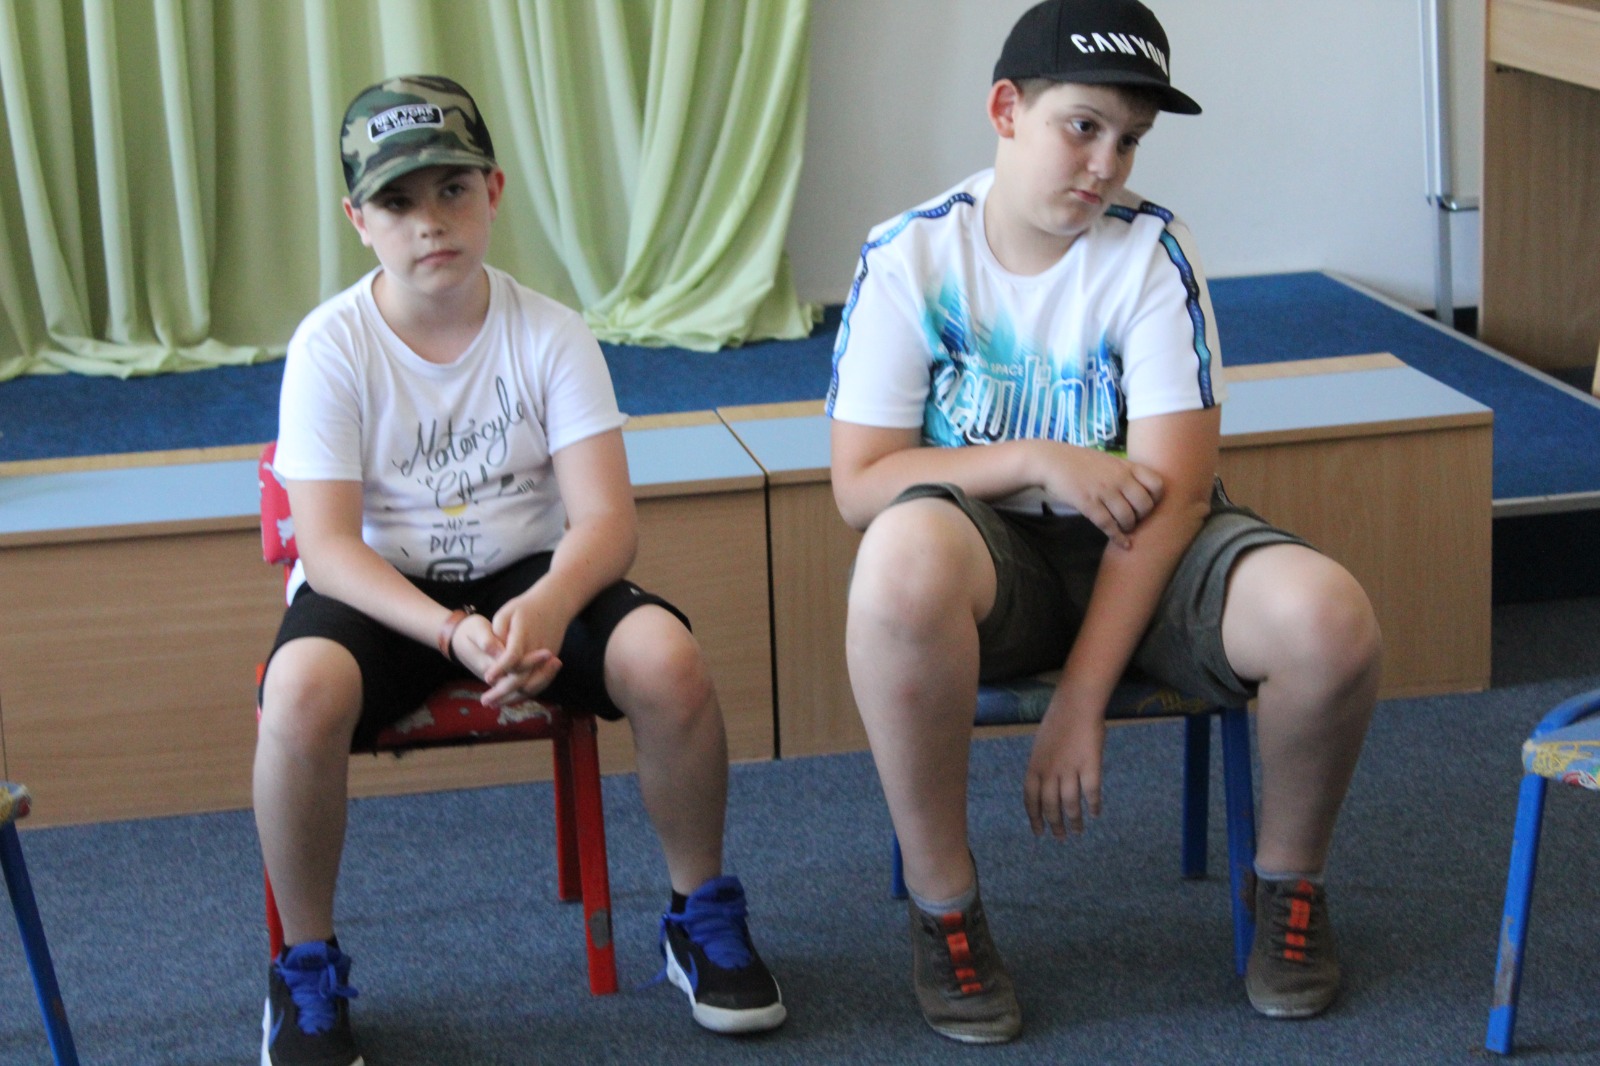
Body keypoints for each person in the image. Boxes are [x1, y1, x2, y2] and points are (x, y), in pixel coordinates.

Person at [826, 0, 1381, 1045]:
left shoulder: (1151, 253)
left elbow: (1173, 501)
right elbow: (860, 484)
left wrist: (1080, 701)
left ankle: (1289, 890)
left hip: (1149, 554)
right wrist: (1039, 458)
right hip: (994, 566)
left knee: (1328, 617)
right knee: (897, 554)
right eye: (1081, 127)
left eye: (1128, 140)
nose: (1104, 164)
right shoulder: (911, 254)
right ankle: (947, 911)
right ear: (1006, 109)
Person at [254, 75, 785, 1066]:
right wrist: (450, 630)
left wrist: (543, 606)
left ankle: (698, 916)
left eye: (452, 189)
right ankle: (306, 970)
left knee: (668, 660)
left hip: (530, 578)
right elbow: (325, 548)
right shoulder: (331, 345)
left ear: (493, 191)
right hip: (386, 593)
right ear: (358, 221)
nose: (430, 221)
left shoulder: (551, 331)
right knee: (297, 693)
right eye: (397, 202)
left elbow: (607, 522)